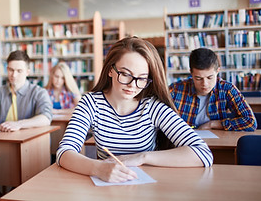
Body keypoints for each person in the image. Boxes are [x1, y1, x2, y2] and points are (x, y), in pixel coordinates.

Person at [56, 37, 213, 183]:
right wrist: (98, 168)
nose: (132, 85)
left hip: (144, 187)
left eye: (142, 78)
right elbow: (64, 152)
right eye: (125, 74)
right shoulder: (90, 103)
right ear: (110, 70)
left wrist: (142, 157)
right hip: (106, 186)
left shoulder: (153, 107)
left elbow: (203, 154)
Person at [169, 48, 256, 131]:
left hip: (216, 143)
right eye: (198, 78)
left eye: (210, 77)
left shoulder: (227, 89)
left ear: (217, 71)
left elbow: (250, 122)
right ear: (191, 72)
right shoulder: (175, 90)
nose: (205, 84)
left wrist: (212, 124)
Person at [0, 50, 52, 132]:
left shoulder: (39, 93)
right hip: (2, 138)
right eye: (11, 70)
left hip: (28, 140)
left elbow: (46, 118)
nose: (14, 75)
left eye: (19, 71)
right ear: (7, 69)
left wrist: (19, 124)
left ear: (27, 72)